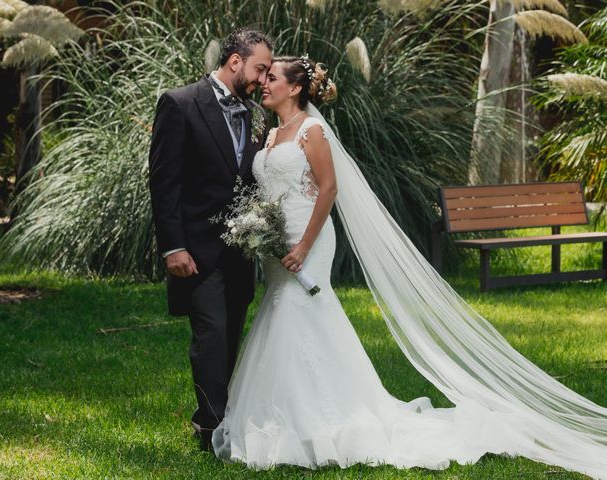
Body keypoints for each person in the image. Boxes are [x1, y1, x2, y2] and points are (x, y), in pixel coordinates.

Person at [211, 55, 607, 478]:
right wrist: (260, 231)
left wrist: (305, 244)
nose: (264, 83)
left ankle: (317, 419)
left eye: (272, 78)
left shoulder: (313, 130)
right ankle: (278, 412)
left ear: (294, 88)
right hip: (277, 243)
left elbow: (328, 190)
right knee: (278, 309)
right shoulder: (271, 134)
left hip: (309, 239)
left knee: (299, 310)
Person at [148, 28, 272, 451]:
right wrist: (172, 246)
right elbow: (164, 183)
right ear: (235, 61)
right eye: (259, 68)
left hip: (241, 249)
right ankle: (212, 430)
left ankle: (219, 419)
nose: (263, 78)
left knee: (232, 333)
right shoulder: (179, 104)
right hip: (196, 249)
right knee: (211, 335)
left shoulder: (256, 113)